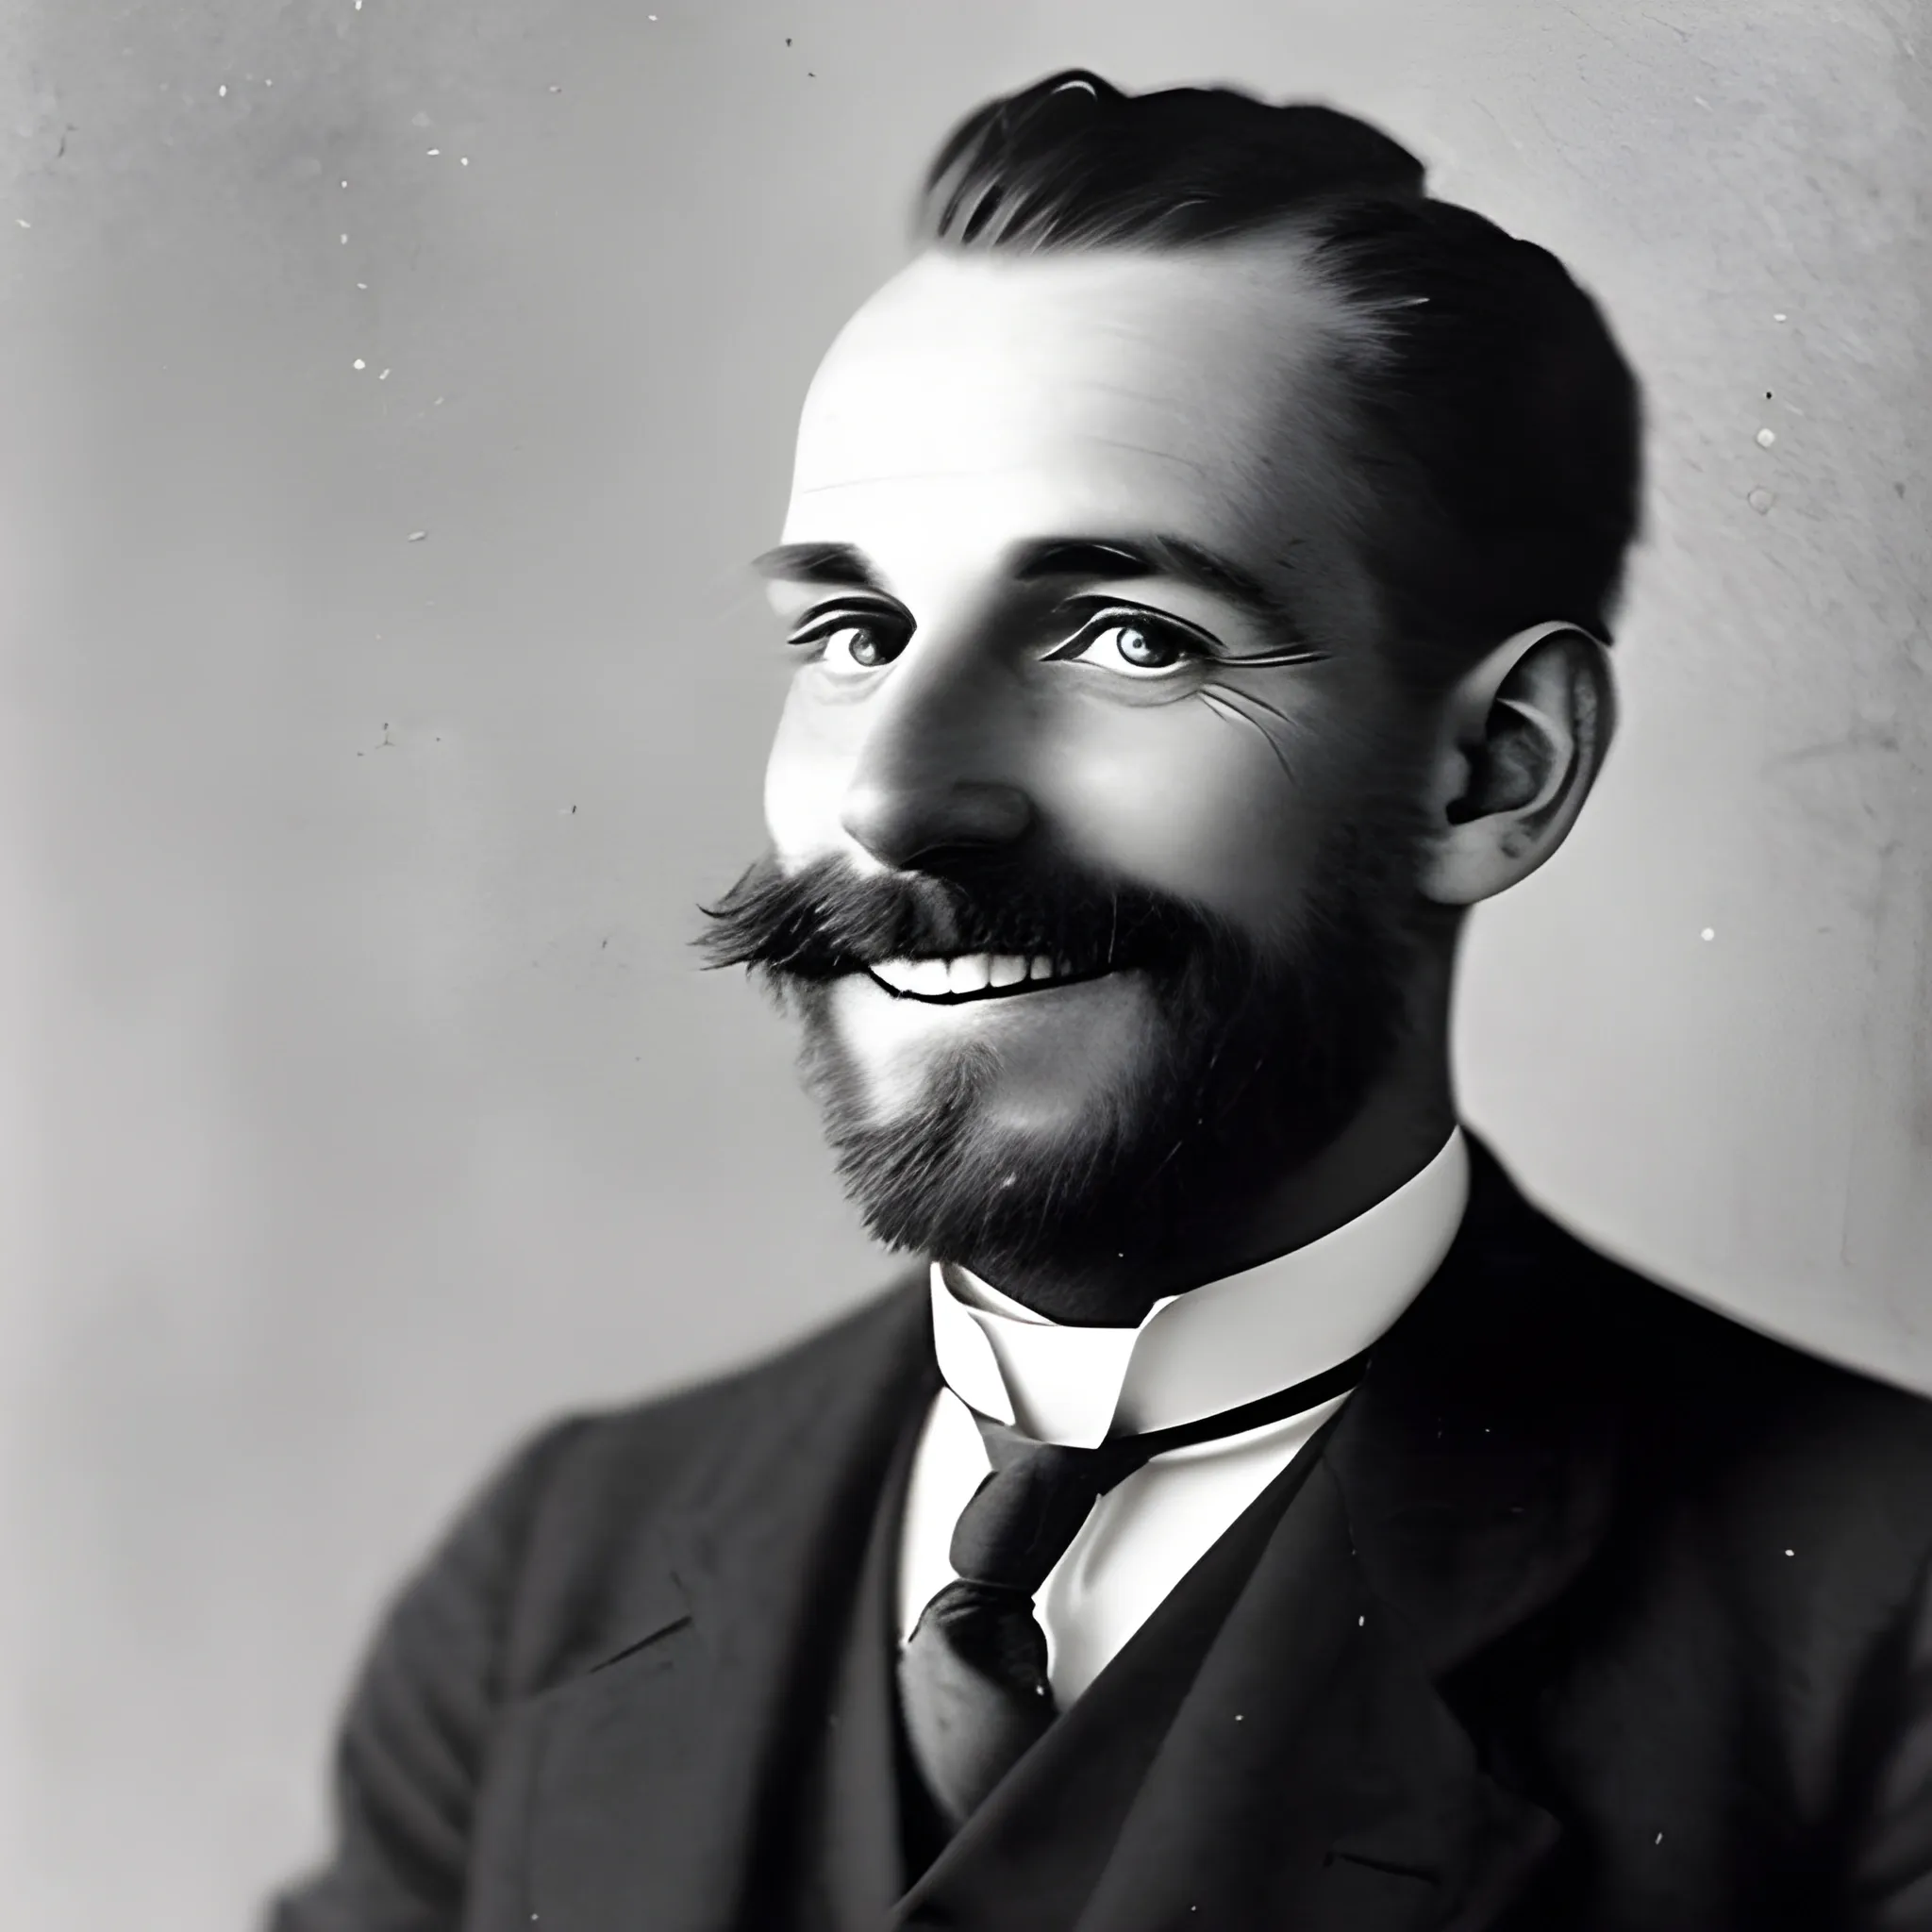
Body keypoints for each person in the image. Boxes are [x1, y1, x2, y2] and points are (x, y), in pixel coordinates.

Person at [270, 72, 1932, 1932]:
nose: (893, 794)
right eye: (854, 635)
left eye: (1132, 637)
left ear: (1492, 774)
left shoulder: (1879, 1628)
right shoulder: (550, 1575)